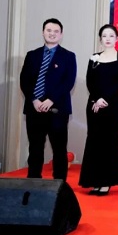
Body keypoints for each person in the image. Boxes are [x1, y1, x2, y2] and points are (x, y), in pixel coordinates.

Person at [20, 18, 77, 181]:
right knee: (35, 148)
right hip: (34, 109)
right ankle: (33, 183)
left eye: (56, 31)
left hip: (57, 109)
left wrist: (51, 100)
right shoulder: (32, 55)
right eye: (49, 30)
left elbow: (68, 82)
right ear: (43, 32)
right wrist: (34, 100)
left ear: (61, 34)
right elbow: (24, 80)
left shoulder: (68, 56)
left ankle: (59, 185)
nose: (52, 34)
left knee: (59, 149)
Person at [79, 24, 118, 196]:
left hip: (112, 105)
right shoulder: (94, 58)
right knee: (94, 141)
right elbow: (90, 82)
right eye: (104, 36)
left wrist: (104, 99)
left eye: (111, 35)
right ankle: (94, 181)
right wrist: (97, 99)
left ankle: (106, 182)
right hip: (94, 105)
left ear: (117, 38)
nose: (108, 39)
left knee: (109, 142)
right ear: (100, 39)